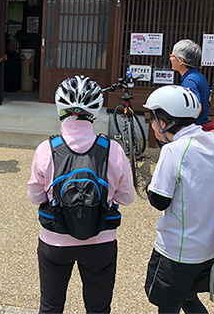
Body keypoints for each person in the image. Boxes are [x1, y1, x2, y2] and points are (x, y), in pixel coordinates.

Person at [28, 75, 134, 313]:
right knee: (98, 308)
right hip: (101, 241)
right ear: (95, 110)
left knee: (51, 307)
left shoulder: (47, 148)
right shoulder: (112, 150)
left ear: (60, 108)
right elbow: (126, 198)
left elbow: (35, 197)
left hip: (55, 240)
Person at [143, 85, 214, 313]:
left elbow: (160, 200)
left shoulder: (173, 151)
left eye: (151, 118)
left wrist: (149, 186)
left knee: (167, 304)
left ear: (163, 122)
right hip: (210, 248)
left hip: (178, 252)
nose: (151, 125)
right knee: (189, 298)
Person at [169, 39, 214, 131]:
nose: (170, 58)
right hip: (203, 124)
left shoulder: (189, 81)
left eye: (172, 55)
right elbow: (209, 98)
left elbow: (197, 108)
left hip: (195, 128)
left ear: (181, 61)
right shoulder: (199, 76)